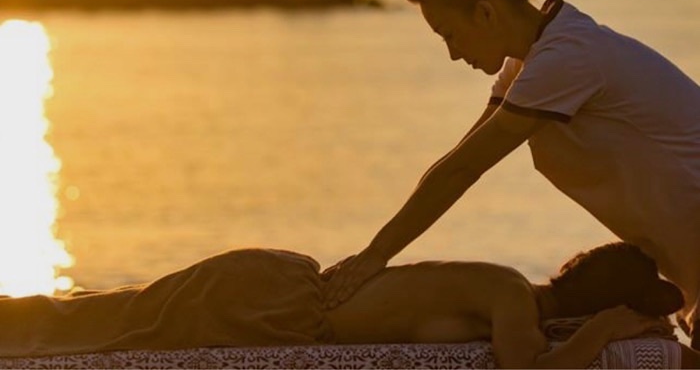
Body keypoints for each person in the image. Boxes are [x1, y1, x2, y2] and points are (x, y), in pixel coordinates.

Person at [322, 0, 700, 351]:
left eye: (449, 34)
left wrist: (375, 256)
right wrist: (376, 253)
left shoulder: (566, 57)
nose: (453, 53)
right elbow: (458, 159)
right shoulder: (530, 63)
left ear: (485, 13)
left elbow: (464, 170)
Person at [0, 242, 695, 368]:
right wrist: (604, 331)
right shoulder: (512, 294)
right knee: (104, 328)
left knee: (108, 314)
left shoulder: (508, 287)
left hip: (276, 287)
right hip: (275, 301)